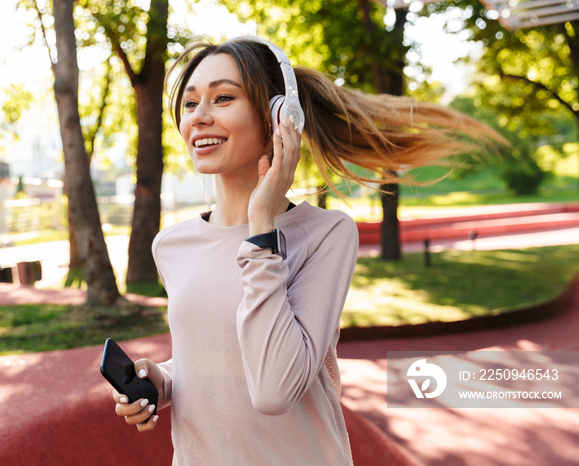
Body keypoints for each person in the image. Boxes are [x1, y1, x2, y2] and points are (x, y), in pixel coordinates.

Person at [111, 36, 500, 465]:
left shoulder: (326, 234)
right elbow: (216, 354)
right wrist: (162, 379)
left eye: (222, 98)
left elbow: (274, 389)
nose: (199, 117)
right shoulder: (172, 246)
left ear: (280, 116)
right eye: (189, 104)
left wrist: (261, 229)